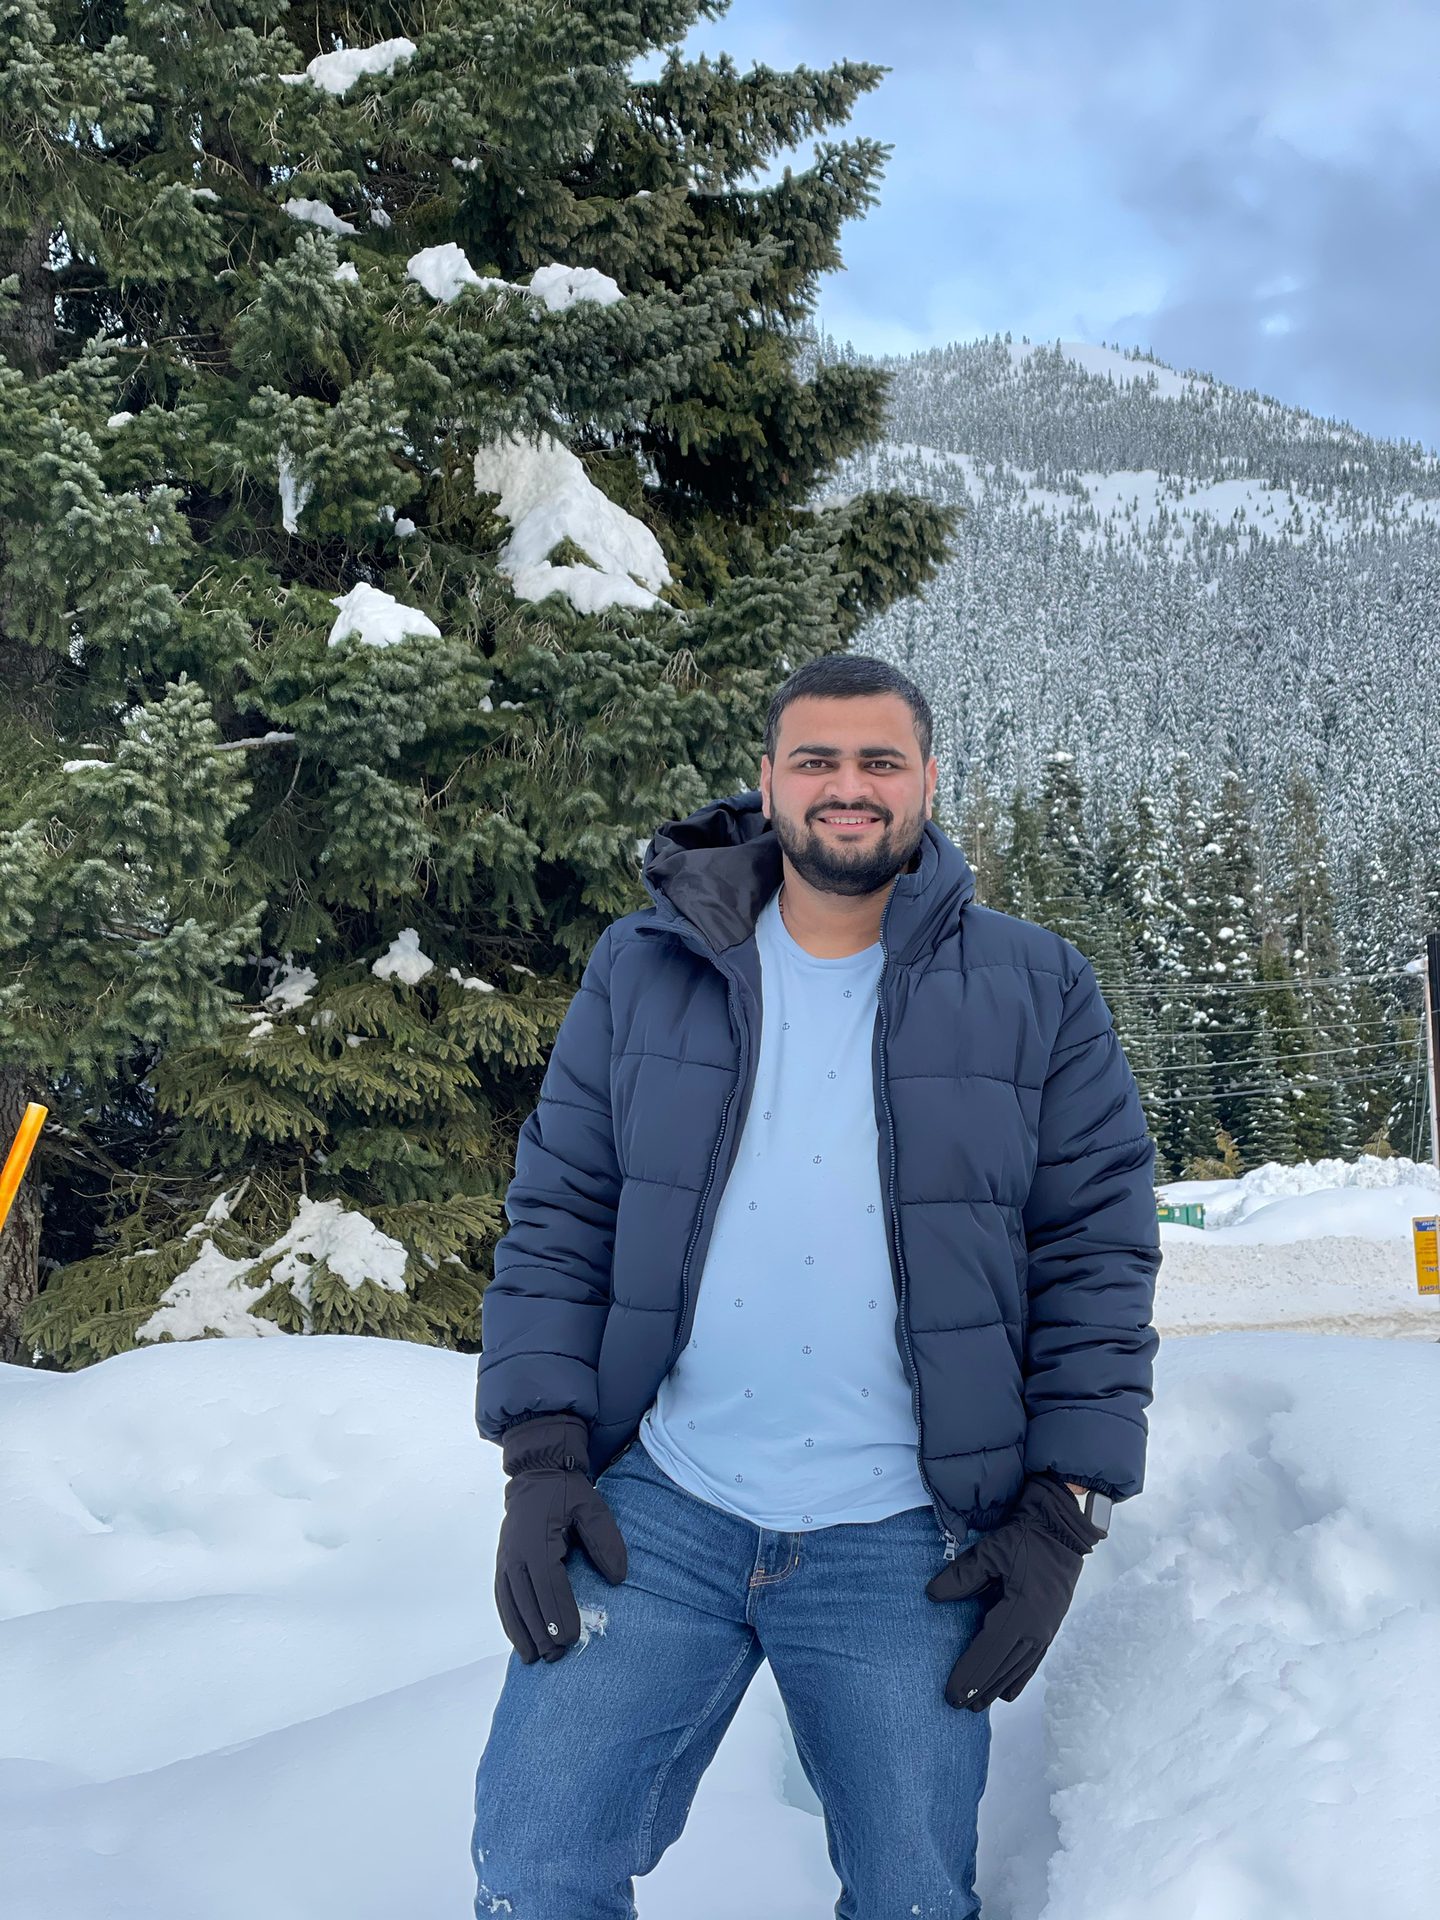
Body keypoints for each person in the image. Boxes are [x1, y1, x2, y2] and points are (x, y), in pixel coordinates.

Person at [471, 654, 1161, 1920]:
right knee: (533, 1861)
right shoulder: (643, 970)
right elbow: (561, 1214)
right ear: (770, 780)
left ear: (930, 782)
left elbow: (1096, 1257)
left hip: (909, 1533)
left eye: (880, 761)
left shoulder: (1038, 986)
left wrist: (1065, 1510)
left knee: (910, 1897)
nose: (849, 788)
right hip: (664, 1508)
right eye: (818, 760)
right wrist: (544, 1453)